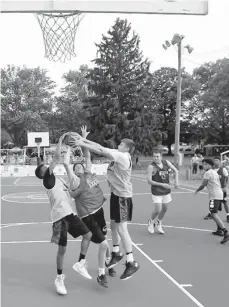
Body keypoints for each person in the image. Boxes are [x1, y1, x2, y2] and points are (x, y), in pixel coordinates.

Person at [69, 132, 140, 280]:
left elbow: (100, 151)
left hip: (123, 196)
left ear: (126, 149)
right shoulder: (117, 153)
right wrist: (83, 139)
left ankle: (131, 261)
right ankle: (115, 252)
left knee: (122, 228)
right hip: (116, 195)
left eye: (121, 144)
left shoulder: (123, 157)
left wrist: (81, 144)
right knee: (113, 225)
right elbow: (100, 147)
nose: (118, 145)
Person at [35, 134, 92, 296]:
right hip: (60, 217)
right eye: (44, 167)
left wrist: (72, 148)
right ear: (42, 172)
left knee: (87, 235)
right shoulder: (47, 179)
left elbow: (72, 194)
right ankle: (59, 277)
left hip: (70, 213)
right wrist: (60, 141)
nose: (47, 166)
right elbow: (57, 157)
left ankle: (81, 262)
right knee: (62, 249)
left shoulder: (58, 180)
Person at [64, 126, 116, 288]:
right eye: (76, 166)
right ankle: (98, 272)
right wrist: (67, 147)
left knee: (104, 240)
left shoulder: (88, 173)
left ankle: (108, 263)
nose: (79, 166)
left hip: (99, 211)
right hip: (88, 215)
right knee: (103, 244)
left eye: (80, 165)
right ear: (74, 170)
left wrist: (84, 139)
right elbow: (67, 164)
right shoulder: (75, 179)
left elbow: (87, 155)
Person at [195, 158, 229, 244]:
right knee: (215, 212)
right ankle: (219, 230)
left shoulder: (207, 173)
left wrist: (197, 190)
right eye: (203, 164)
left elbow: (203, 184)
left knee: (213, 214)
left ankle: (225, 232)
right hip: (219, 193)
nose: (204, 165)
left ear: (211, 165)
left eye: (206, 164)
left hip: (214, 195)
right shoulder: (214, 172)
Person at [147, 148, 179, 234]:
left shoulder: (166, 163)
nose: (155, 158)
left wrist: (176, 181)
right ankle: (151, 221)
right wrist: (162, 184)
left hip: (166, 190)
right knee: (158, 209)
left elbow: (176, 170)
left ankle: (159, 222)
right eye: (154, 156)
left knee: (165, 208)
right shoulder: (151, 167)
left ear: (161, 156)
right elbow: (149, 181)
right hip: (156, 190)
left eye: (157, 156)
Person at [204, 157, 229, 222]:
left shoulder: (223, 169)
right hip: (214, 189)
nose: (215, 162)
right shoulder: (211, 170)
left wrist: (225, 187)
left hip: (221, 188)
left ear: (220, 161)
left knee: (224, 202)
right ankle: (211, 213)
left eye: (217, 160)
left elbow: (227, 178)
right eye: (214, 160)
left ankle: (228, 215)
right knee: (212, 201)